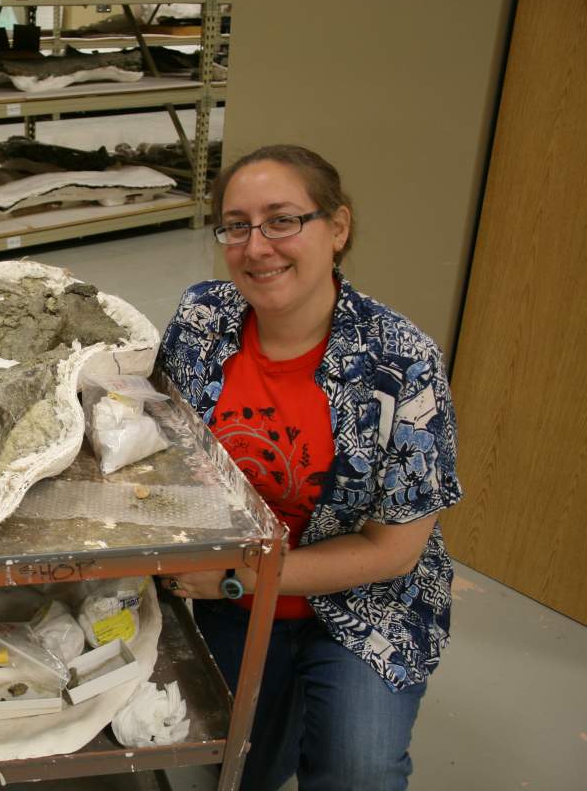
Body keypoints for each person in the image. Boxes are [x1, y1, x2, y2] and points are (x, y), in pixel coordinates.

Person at [159, 144, 462, 790]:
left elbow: (392, 553)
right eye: (236, 225)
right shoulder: (202, 318)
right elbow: (158, 445)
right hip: (234, 603)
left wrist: (236, 579)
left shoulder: (401, 362)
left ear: (339, 227)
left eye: (282, 220)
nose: (257, 245)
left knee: (357, 770)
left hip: (362, 603)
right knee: (239, 767)